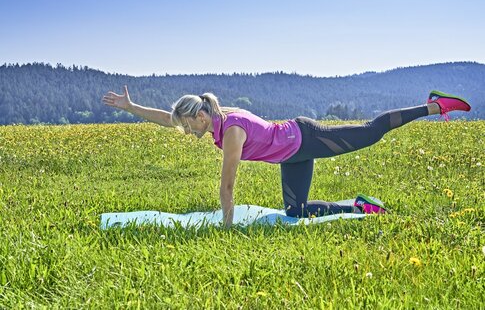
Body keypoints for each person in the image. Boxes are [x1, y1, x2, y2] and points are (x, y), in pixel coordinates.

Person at [102, 87, 471, 227]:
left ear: (200, 117)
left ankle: (433, 105)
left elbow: (227, 187)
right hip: (290, 156)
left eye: (188, 126)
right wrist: (131, 106)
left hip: (305, 138)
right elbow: (168, 120)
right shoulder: (212, 117)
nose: (186, 132)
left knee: (370, 132)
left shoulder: (229, 132)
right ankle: (361, 206)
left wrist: (227, 228)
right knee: (297, 212)